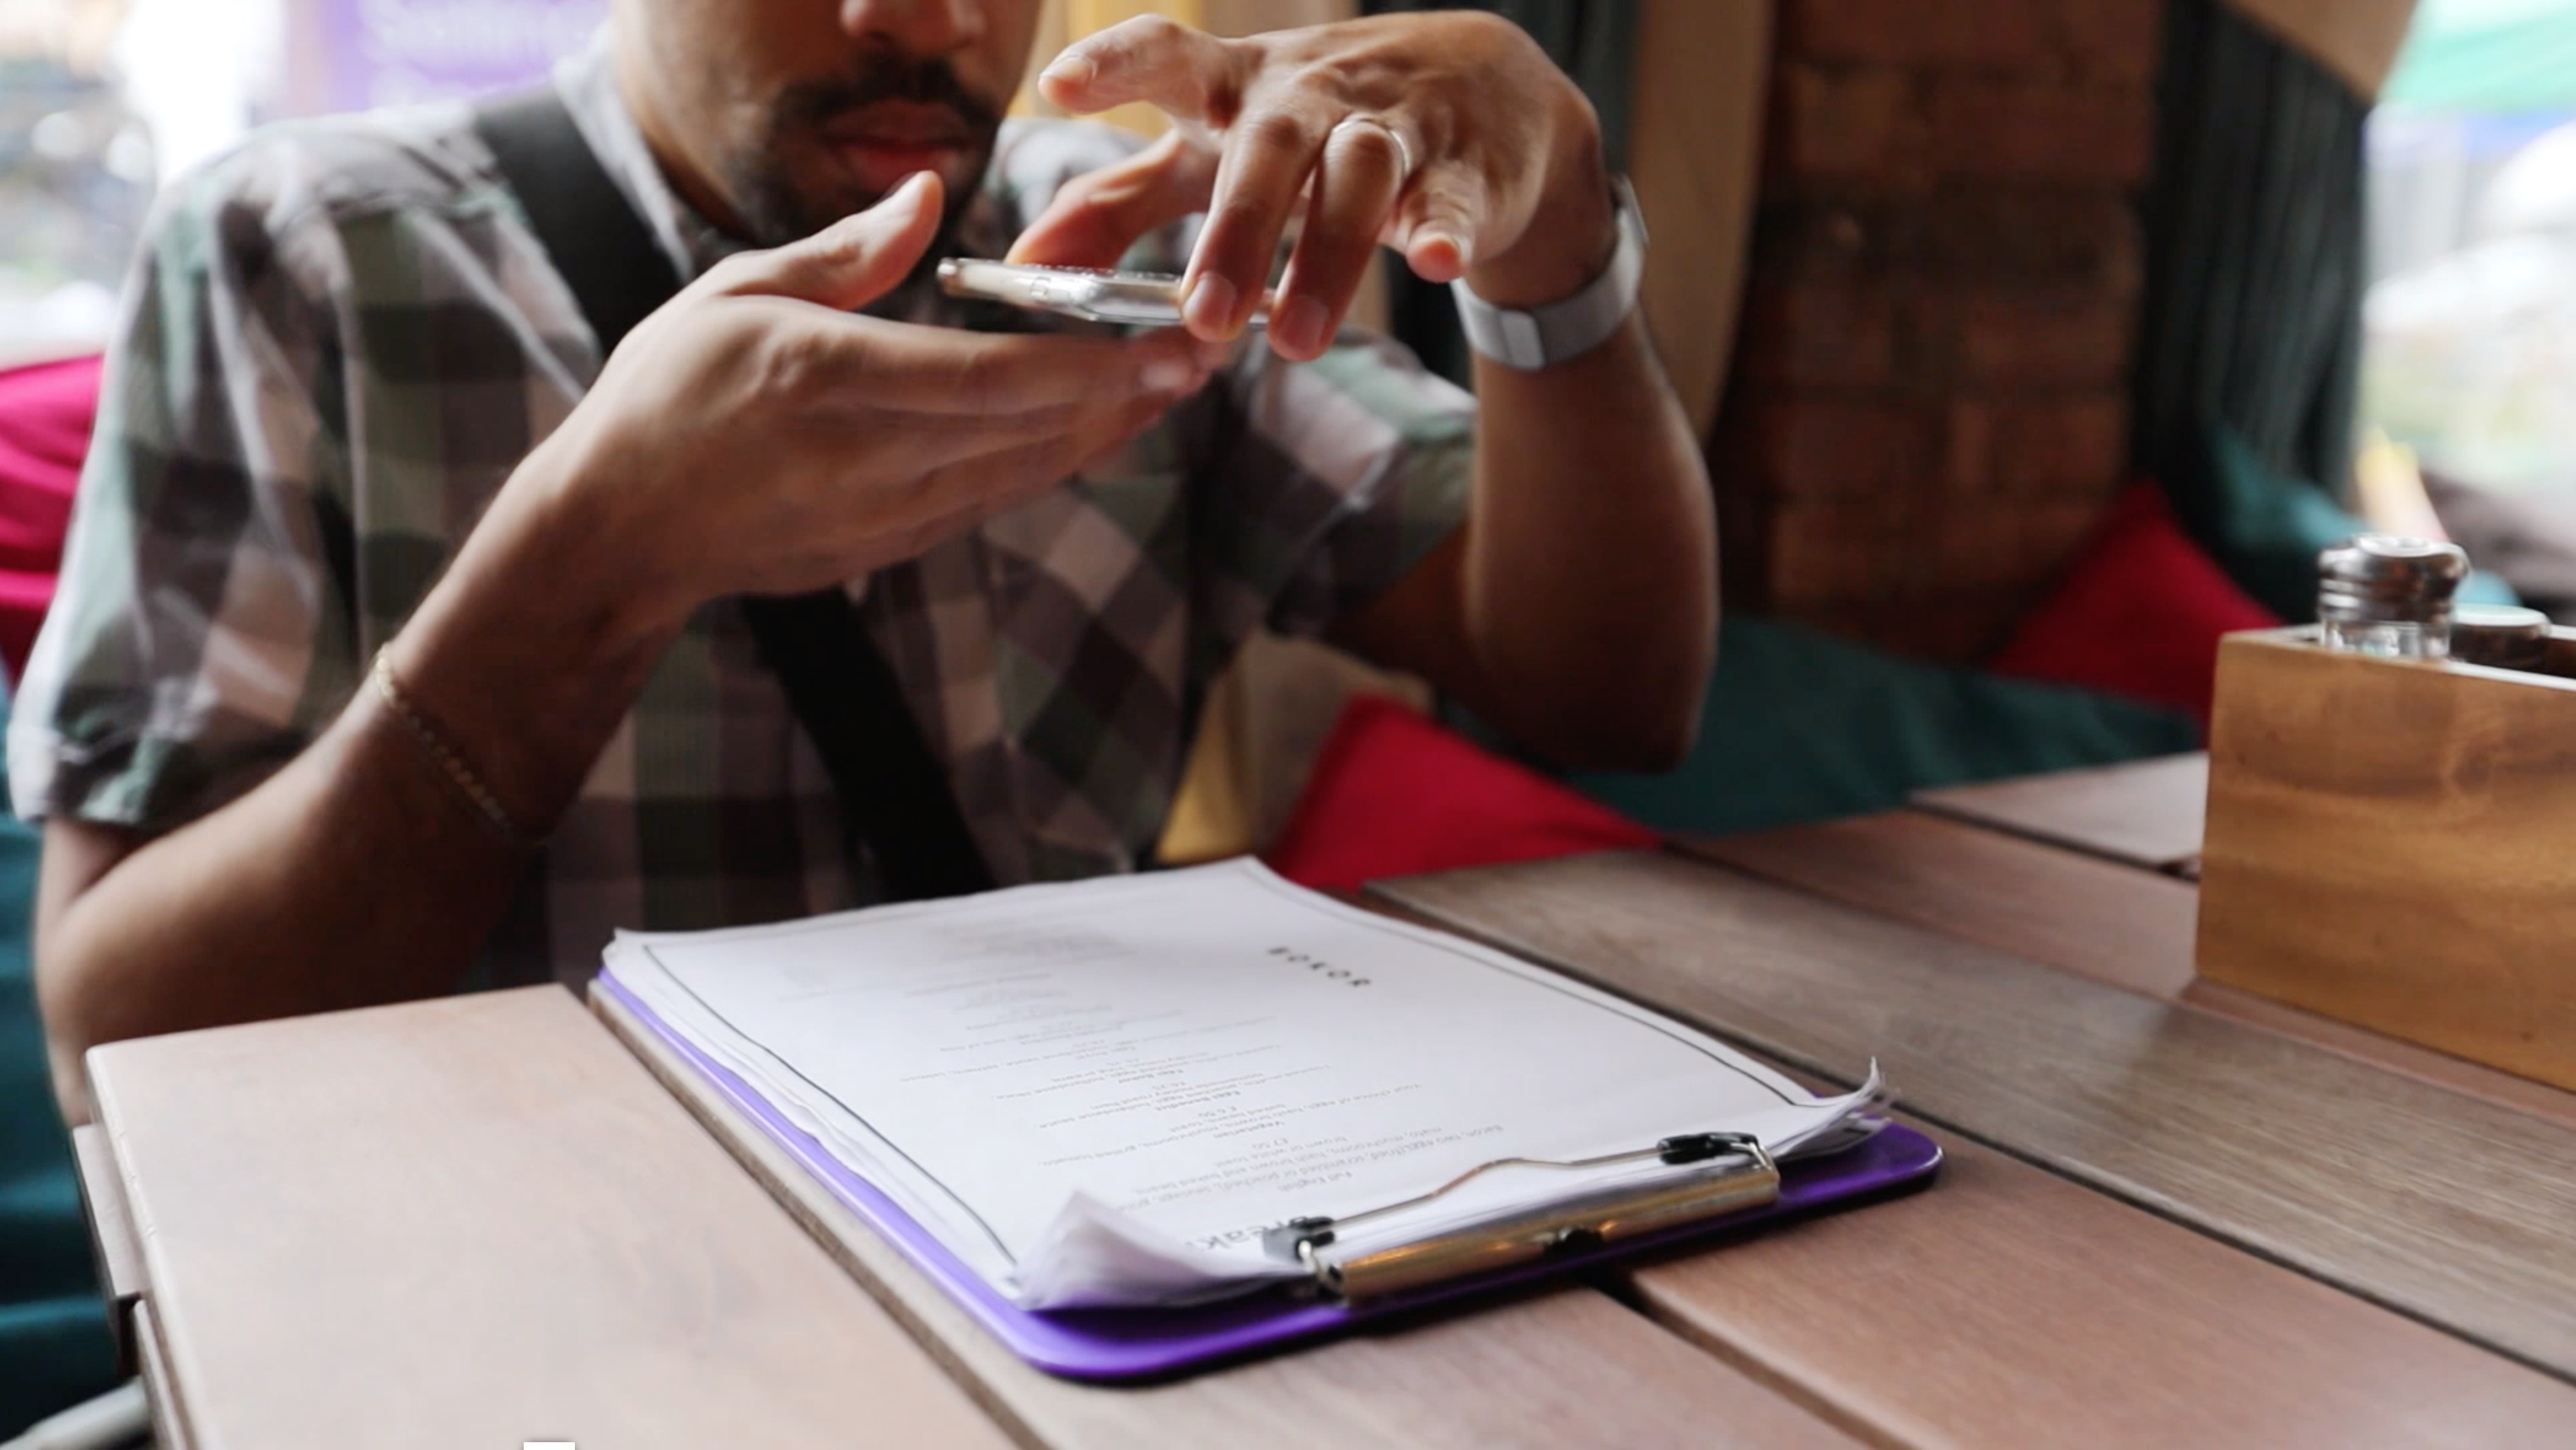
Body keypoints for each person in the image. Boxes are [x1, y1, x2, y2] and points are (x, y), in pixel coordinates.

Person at [16, 2, 1715, 1122]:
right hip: (524, 1304)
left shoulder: (1143, 243)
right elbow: (116, 1045)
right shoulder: (303, 252)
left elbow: (1612, 686)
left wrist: (1554, 227)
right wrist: (582, 569)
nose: (927, 20)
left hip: (1080, 1285)